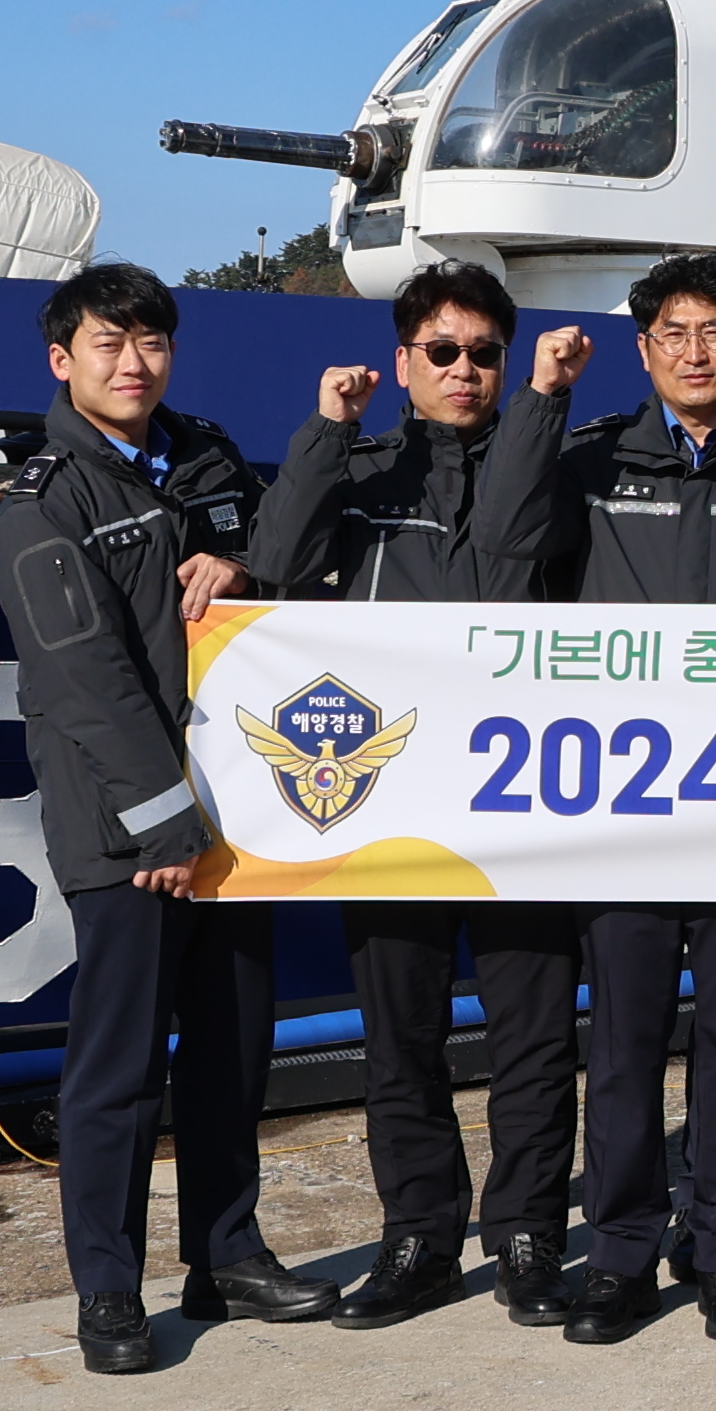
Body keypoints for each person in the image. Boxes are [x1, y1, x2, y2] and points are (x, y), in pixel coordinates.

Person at [474, 253, 716, 1345]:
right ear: (644, 350)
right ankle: (623, 1254)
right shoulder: (592, 457)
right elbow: (502, 541)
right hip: (626, 815)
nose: (694, 351)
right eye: (673, 332)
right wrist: (542, 400)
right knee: (623, 1047)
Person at [0, 263, 334, 1374]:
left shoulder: (206, 456)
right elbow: (87, 683)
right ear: (62, 359)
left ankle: (227, 1252)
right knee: (121, 1068)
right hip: (133, 836)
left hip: (240, 817)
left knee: (234, 1046)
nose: (133, 364)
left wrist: (247, 559)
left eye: (150, 343)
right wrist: (165, 830)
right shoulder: (43, 504)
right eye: (107, 345)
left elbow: (285, 565)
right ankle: (109, 1290)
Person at [241, 260, 582, 1331]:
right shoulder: (367, 472)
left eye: (485, 353)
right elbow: (279, 563)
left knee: (533, 1035)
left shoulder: (549, 464)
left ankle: (527, 1231)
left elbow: (503, 572)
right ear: (403, 363)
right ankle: (420, 1238)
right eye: (442, 352)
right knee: (402, 1037)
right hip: (389, 805)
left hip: (519, 804)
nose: (466, 371)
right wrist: (327, 433)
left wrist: (540, 408)